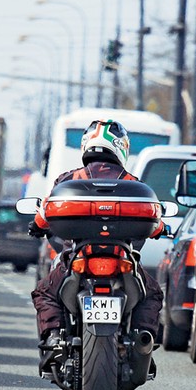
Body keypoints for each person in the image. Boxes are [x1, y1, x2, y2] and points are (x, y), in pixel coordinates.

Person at [29, 119, 166, 355]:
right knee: (151, 293)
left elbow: (45, 213)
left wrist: (36, 226)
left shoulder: (67, 180)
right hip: (123, 258)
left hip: (77, 256)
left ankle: (54, 336)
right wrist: (160, 228)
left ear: (86, 145)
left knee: (45, 291)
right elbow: (152, 220)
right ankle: (143, 338)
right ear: (121, 147)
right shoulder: (134, 185)